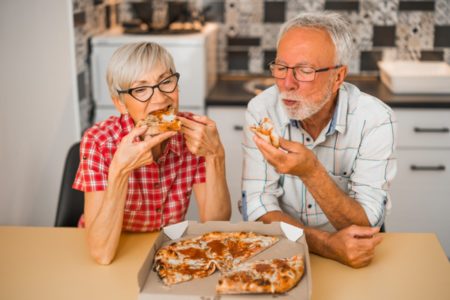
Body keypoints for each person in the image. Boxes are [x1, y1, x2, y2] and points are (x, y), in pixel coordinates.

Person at [241, 11, 397, 268]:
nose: (287, 83)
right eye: (280, 68)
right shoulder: (262, 110)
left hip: (354, 255)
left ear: (338, 77)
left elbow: (367, 224)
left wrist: (311, 172)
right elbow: (257, 208)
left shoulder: (376, 119)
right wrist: (324, 244)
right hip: (284, 251)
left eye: (304, 70)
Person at [73, 42, 231, 264]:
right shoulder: (99, 142)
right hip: (116, 250)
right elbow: (102, 254)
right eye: (141, 89)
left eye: (166, 82)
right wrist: (119, 172)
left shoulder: (194, 134)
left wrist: (216, 155)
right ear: (120, 103)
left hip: (166, 252)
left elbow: (217, 225)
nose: (159, 99)